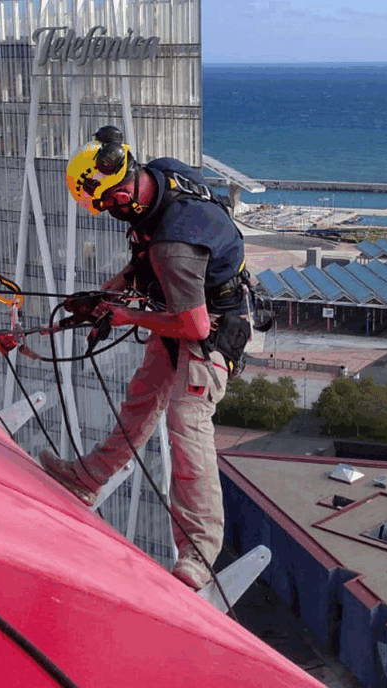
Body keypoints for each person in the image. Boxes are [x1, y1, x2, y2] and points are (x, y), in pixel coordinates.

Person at [39, 125, 251, 590]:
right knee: (142, 399)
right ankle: (88, 477)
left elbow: (193, 327)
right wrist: (106, 295)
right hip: (184, 304)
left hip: (209, 330)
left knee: (186, 419)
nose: (113, 214)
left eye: (110, 205)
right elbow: (145, 259)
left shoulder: (173, 249)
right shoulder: (162, 175)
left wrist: (125, 317)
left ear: (119, 196)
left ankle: (198, 551)